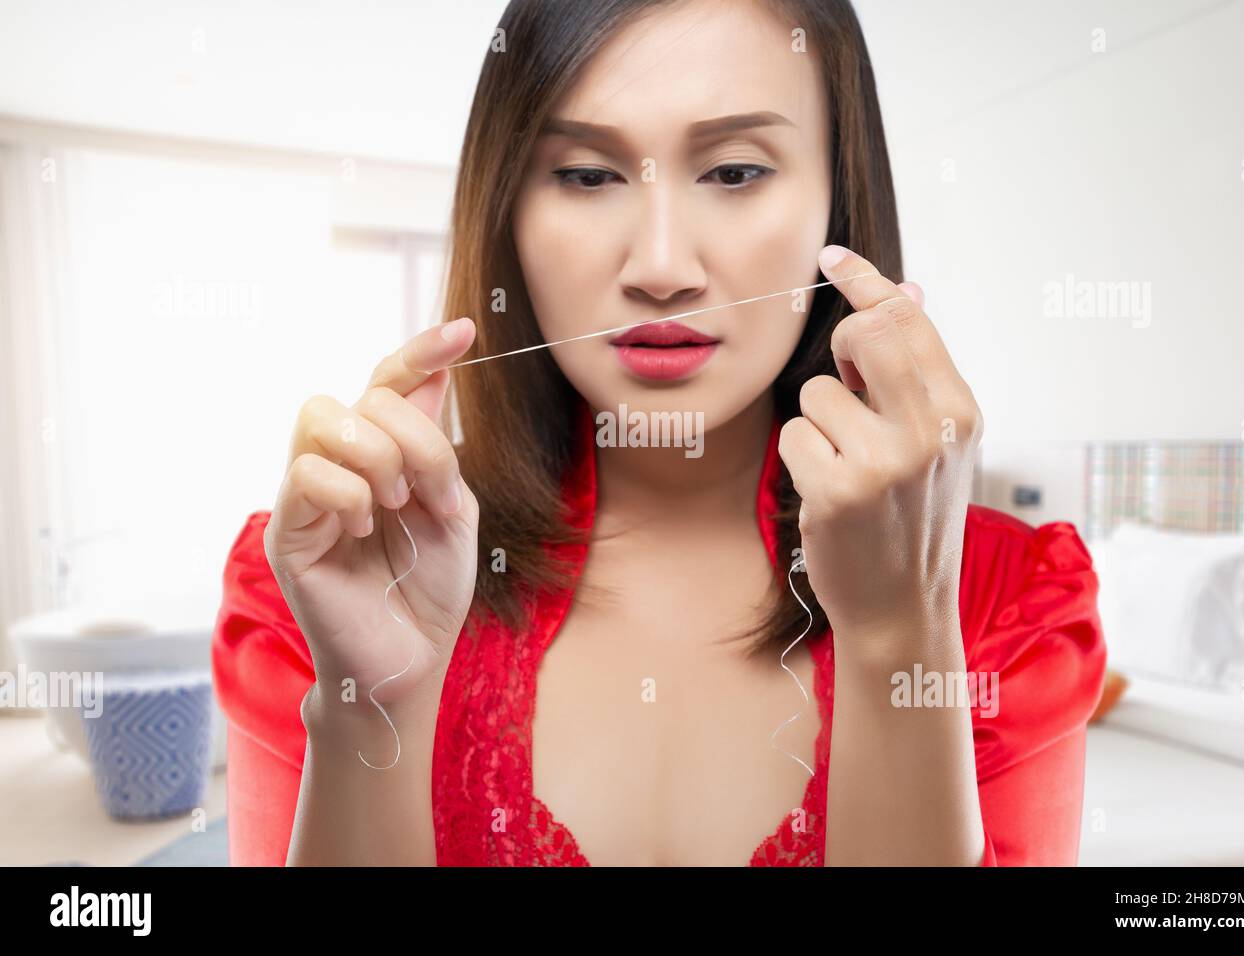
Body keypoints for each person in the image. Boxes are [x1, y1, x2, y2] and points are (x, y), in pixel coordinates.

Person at [213, 0, 1107, 866]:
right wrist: (374, 709)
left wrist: (900, 634)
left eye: (733, 172)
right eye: (588, 175)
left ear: (838, 199)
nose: (662, 268)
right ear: (507, 210)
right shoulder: (326, 585)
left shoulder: (1010, 607)